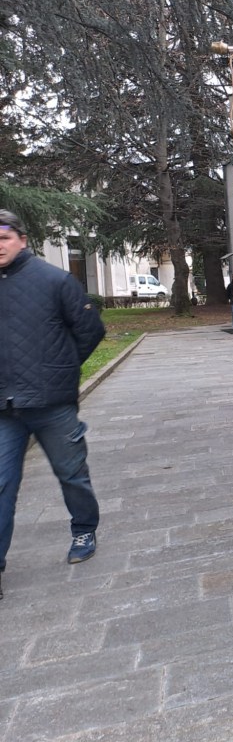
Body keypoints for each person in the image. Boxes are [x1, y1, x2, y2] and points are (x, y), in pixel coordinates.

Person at [0, 210, 106, 601]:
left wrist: (60, 371)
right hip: (4, 409)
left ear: (22, 240)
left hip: (52, 405)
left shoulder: (55, 281)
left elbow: (91, 331)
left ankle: (84, 529)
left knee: (72, 474)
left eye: (4, 236)